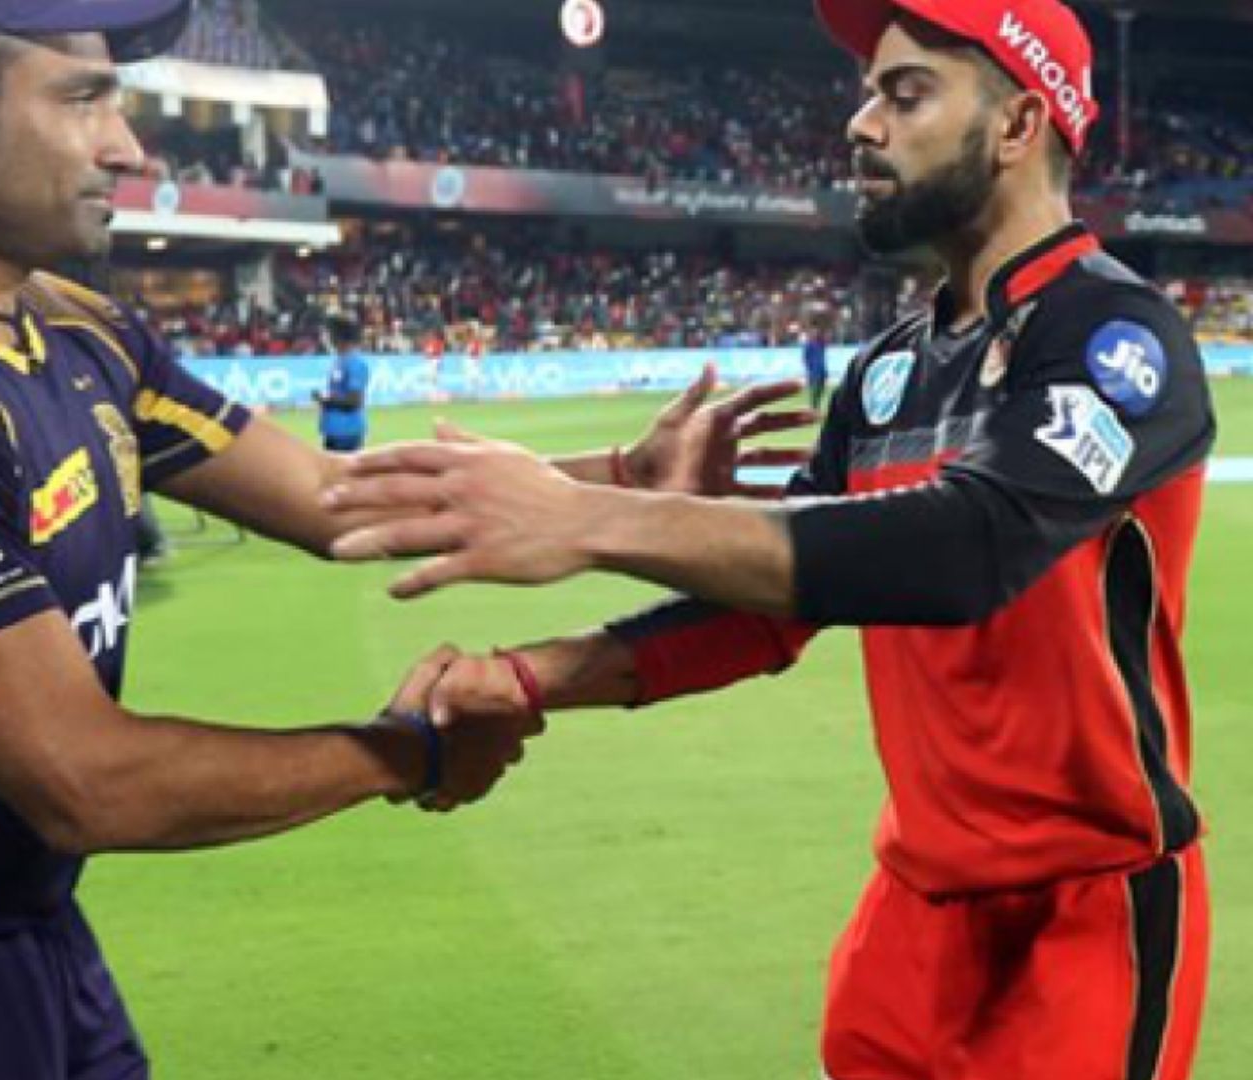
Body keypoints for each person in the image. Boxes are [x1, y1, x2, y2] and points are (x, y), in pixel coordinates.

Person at [0, 3, 807, 1076]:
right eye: (83, 98)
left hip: (32, 938)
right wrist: (407, 752)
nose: (130, 148)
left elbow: (329, 497)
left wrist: (617, 490)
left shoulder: (77, 327)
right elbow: (83, 780)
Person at [325, 2, 1215, 1077]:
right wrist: (524, 677)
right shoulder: (888, 372)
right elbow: (772, 612)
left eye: (906, 93)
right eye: (870, 92)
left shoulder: (1115, 335)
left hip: (1082, 923)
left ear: (1020, 124)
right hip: (910, 924)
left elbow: (972, 550)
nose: (860, 123)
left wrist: (597, 519)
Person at [313, 314, 371, 452]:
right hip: (333, 431)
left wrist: (326, 400)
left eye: (328, 333)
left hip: (347, 433)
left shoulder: (356, 363)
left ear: (338, 336)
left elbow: (355, 401)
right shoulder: (339, 360)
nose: (326, 338)